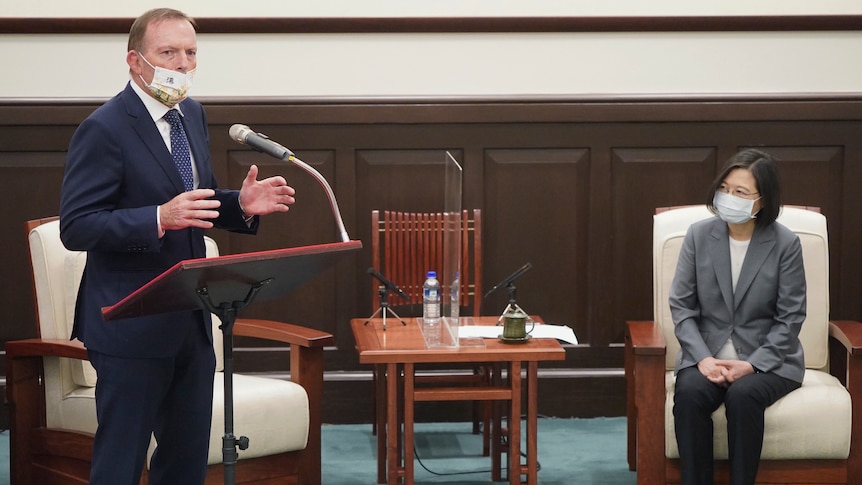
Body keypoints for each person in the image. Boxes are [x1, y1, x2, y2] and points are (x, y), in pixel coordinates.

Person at [58, 8, 296, 485]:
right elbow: (77, 226)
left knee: (185, 461)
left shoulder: (190, 113)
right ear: (135, 61)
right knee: (121, 463)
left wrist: (241, 205)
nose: (181, 64)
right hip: (130, 323)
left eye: (190, 53)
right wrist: (156, 218)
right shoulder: (104, 128)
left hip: (190, 318)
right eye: (167, 52)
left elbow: (196, 203)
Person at [669, 149, 806, 485]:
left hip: (768, 360)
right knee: (688, 395)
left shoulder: (785, 244)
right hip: (708, 356)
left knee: (743, 396)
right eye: (725, 189)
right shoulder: (699, 236)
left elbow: (790, 317)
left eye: (741, 192)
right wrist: (702, 359)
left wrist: (754, 364)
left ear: (763, 200)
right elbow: (682, 307)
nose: (729, 198)